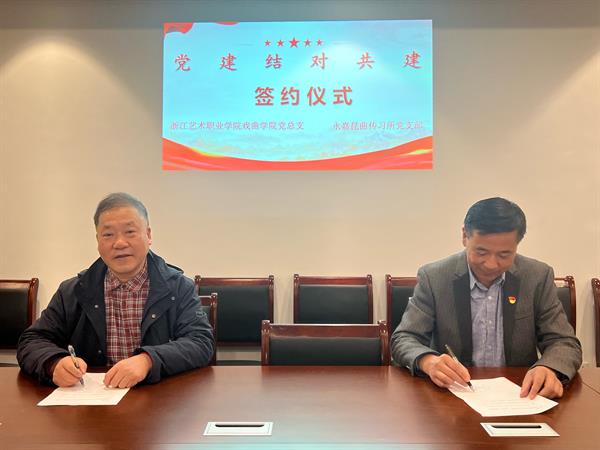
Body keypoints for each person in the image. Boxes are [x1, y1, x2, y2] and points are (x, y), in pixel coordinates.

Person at [391, 197, 581, 399]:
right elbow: (404, 338)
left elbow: (564, 342)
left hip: (520, 396)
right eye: (481, 252)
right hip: (452, 395)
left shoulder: (537, 277)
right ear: (464, 236)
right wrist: (428, 361)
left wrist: (549, 368)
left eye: (504, 255)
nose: (491, 264)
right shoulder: (435, 277)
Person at [17, 193, 214, 388]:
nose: (119, 243)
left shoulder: (178, 287)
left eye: (130, 232)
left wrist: (149, 360)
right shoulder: (73, 291)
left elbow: (201, 342)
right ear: (98, 241)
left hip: (159, 397)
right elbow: (31, 340)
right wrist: (53, 363)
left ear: (148, 235)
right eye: (108, 235)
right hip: (92, 400)